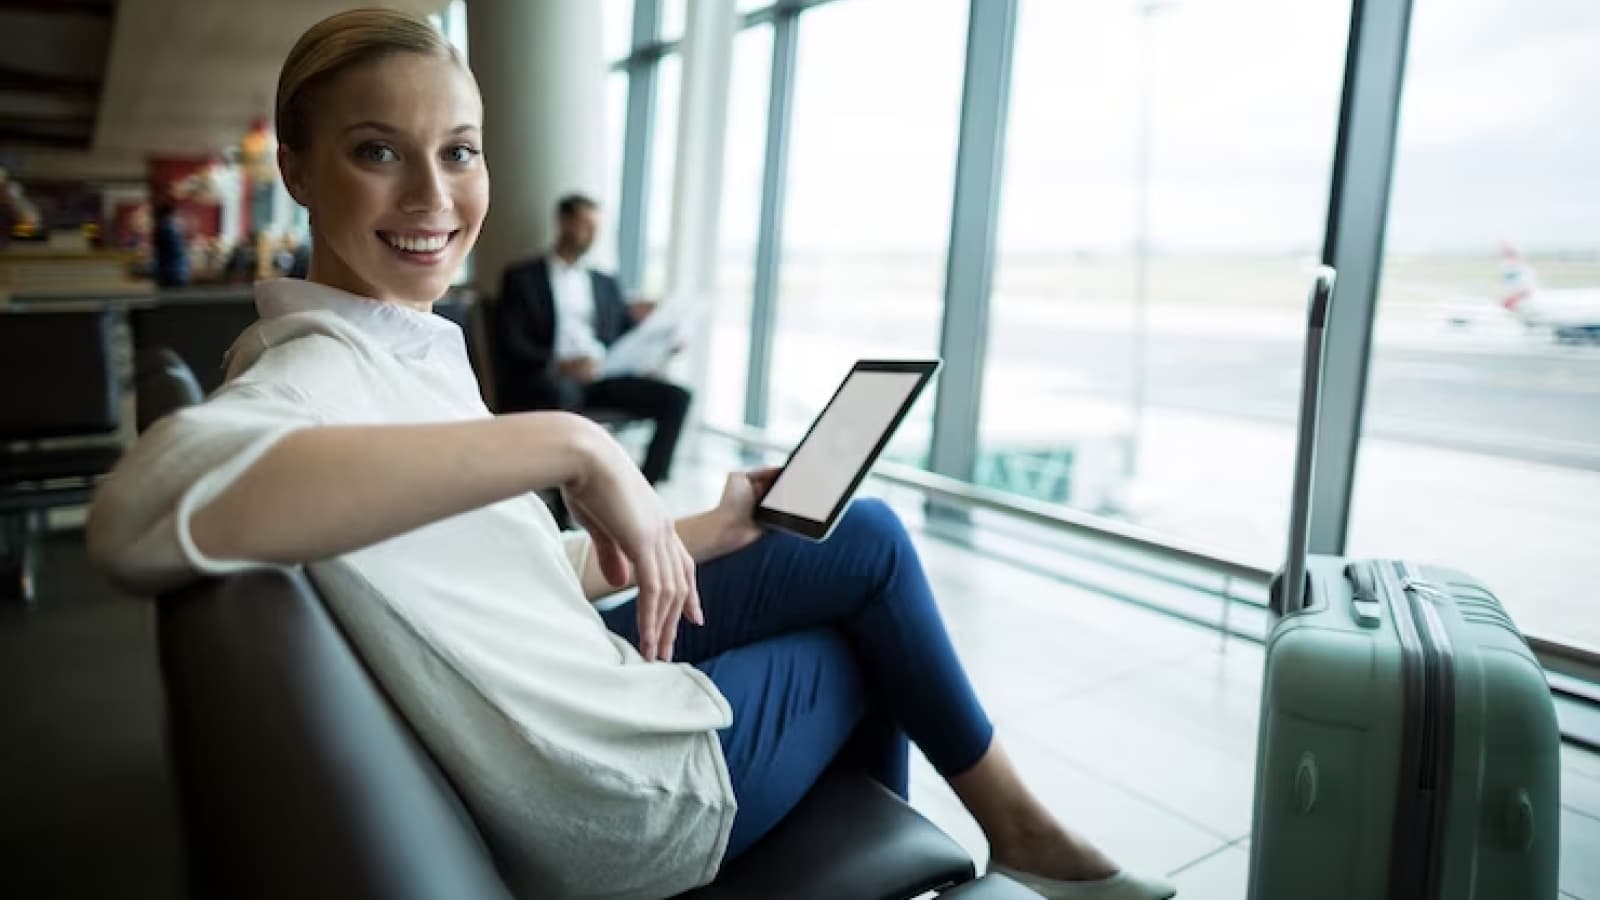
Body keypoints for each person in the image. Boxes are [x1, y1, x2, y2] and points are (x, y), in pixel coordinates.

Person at [83, 10, 1174, 900]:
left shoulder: (394, 353)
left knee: (862, 534)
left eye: (459, 152)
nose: (433, 197)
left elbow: (500, 569)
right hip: (616, 795)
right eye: (379, 152)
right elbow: (136, 510)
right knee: (859, 645)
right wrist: (566, 440)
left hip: (590, 685)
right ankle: (1006, 833)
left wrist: (694, 525)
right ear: (302, 168)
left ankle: (1015, 828)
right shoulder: (306, 377)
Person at [497, 195, 690, 485]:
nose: (592, 235)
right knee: (561, 396)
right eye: (585, 225)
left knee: (676, 398)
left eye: (596, 227)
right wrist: (562, 366)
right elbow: (511, 341)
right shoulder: (523, 278)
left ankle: (646, 486)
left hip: (603, 376)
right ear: (563, 222)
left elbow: (628, 335)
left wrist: (663, 344)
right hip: (553, 378)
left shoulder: (605, 282)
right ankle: (565, 498)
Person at [151, 201, 191, 287]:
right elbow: (177, 251)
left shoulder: (162, 227)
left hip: (167, 272)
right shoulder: (168, 228)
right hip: (173, 273)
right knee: (172, 298)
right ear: (170, 214)